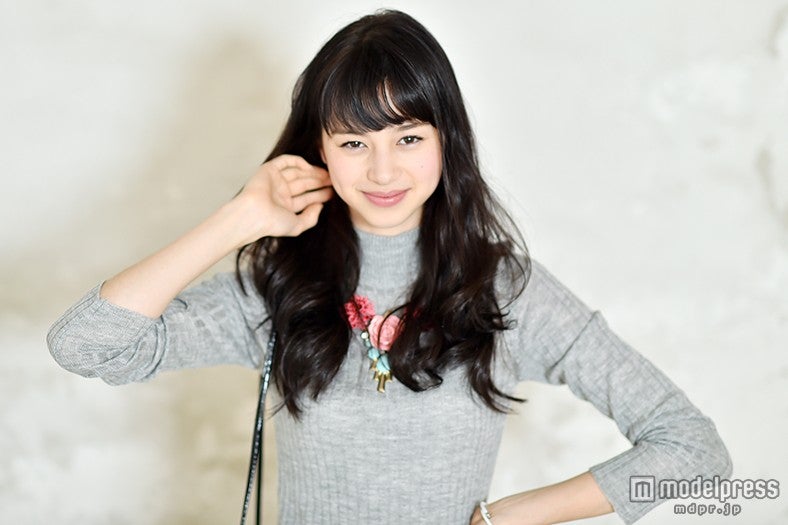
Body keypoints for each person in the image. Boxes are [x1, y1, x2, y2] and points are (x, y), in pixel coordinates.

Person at [47, 9, 731, 525]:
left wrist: (514, 515)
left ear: (445, 140)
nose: (382, 170)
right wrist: (240, 219)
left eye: (407, 137)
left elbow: (694, 449)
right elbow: (84, 344)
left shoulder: (504, 290)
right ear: (319, 149)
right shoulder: (281, 288)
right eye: (354, 141)